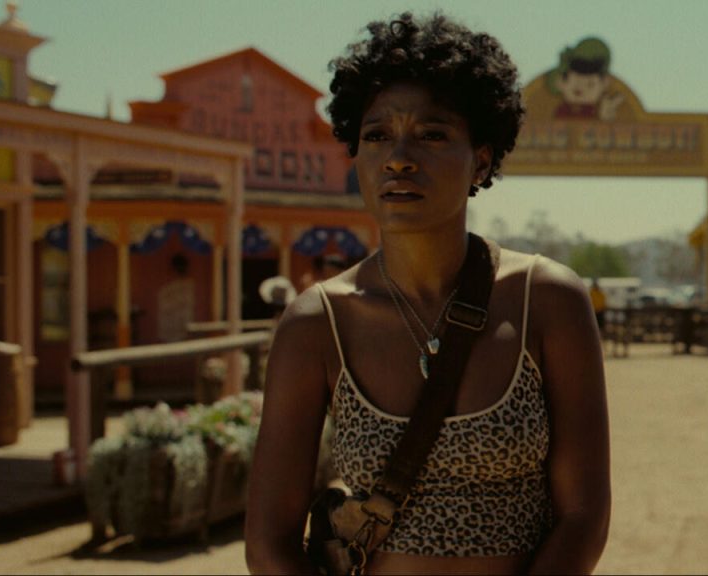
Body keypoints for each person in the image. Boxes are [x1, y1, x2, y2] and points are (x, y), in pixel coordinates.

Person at [245, 12, 611, 575]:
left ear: (481, 160)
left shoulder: (547, 301)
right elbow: (269, 542)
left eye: (432, 134)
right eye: (376, 136)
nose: (398, 157)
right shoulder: (317, 324)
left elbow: (584, 517)